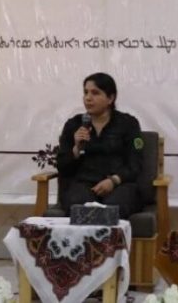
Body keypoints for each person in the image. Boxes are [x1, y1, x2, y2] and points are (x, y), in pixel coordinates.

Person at [56, 72, 145, 219]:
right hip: (83, 185)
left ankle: (109, 235)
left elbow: (135, 163)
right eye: (86, 92)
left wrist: (114, 180)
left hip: (120, 184)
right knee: (79, 207)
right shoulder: (74, 125)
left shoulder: (128, 124)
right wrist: (76, 149)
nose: (88, 98)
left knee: (113, 210)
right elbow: (62, 166)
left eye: (95, 93)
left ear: (110, 98)